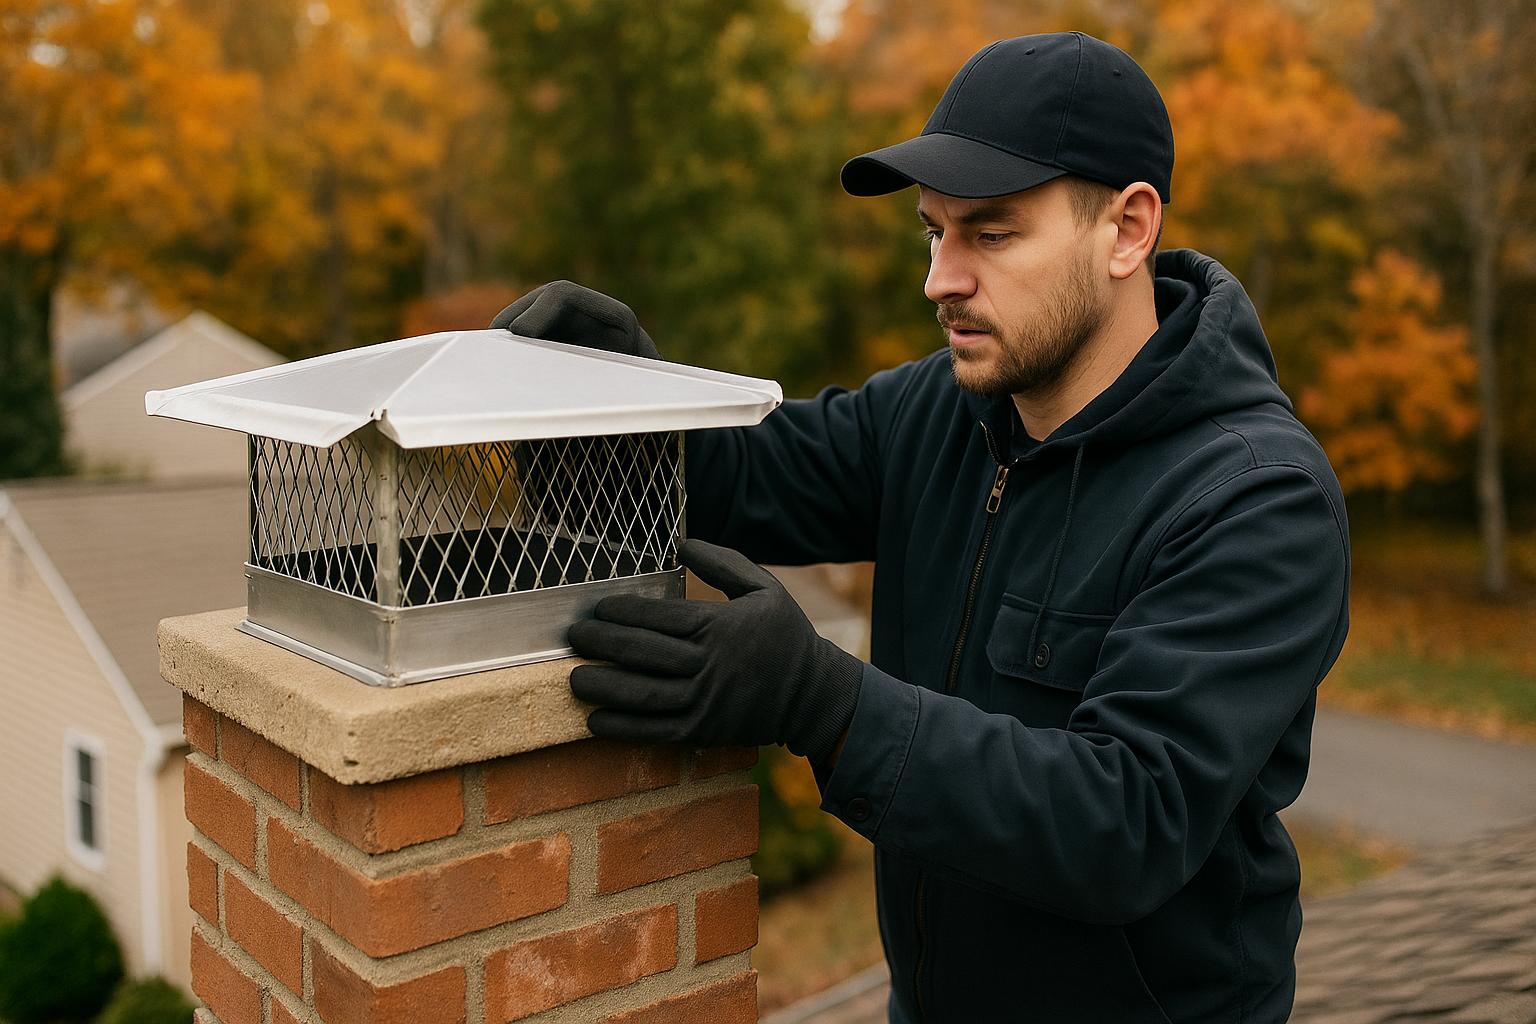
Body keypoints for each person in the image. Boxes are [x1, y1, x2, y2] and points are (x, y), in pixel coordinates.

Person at [491, 31, 1349, 1024]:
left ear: (1127, 230)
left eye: (990, 233)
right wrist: (621, 397)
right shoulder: (939, 412)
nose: (941, 278)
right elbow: (738, 477)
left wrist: (826, 702)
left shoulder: (1255, 496)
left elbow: (1128, 819)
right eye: (932, 232)